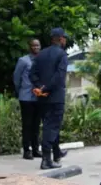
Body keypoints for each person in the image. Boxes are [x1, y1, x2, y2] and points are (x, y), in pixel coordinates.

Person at [29, 27, 69, 169]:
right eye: (64, 38)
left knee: (51, 126)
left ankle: (56, 154)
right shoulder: (62, 55)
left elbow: (32, 74)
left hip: (42, 98)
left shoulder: (41, 54)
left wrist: (39, 88)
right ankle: (46, 160)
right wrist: (45, 88)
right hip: (55, 97)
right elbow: (59, 77)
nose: (65, 40)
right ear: (60, 39)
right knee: (50, 128)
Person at [13, 38, 43, 160]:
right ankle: (27, 150)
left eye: (37, 45)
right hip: (26, 97)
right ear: (29, 47)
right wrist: (20, 89)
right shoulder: (23, 60)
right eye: (33, 46)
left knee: (36, 124)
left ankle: (36, 149)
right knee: (27, 124)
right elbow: (16, 77)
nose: (35, 48)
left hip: (38, 97)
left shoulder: (42, 60)